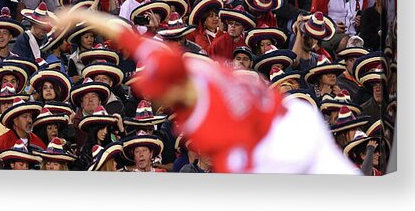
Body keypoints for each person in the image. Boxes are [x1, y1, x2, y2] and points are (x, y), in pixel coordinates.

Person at [55, 9, 358, 174]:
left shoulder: (205, 124)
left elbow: (238, 161)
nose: (160, 101)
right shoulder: (193, 68)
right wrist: (76, 15)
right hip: (297, 119)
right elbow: (124, 33)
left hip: (279, 148)